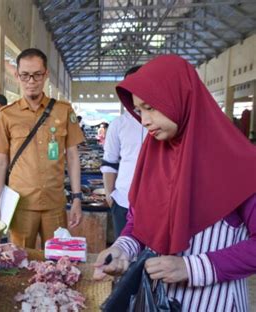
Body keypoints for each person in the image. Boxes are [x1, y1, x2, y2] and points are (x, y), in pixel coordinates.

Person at [93, 55, 256, 311]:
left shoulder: (240, 162)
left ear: (180, 96)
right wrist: (123, 250)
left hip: (215, 302)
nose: (144, 120)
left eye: (150, 107)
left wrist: (192, 267)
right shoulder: (155, 154)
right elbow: (139, 221)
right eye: (139, 110)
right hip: (160, 300)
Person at [0, 48, 84, 249]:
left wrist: (77, 198)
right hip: (21, 205)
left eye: (37, 75)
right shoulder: (7, 115)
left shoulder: (63, 110)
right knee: (20, 263)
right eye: (25, 75)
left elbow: (73, 157)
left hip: (55, 204)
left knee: (58, 261)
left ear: (46, 75)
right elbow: (0, 162)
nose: (31, 81)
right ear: (17, 76)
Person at [101, 66, 147, 240]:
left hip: (156, 204)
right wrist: (109, 195)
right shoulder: (118, 124)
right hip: (122, 201)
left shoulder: (163, 121)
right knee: (123, 255)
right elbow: (109, 162)